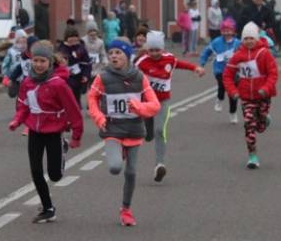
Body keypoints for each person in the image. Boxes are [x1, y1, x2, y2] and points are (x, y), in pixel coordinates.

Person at [86, 39, 161, 226]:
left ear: (127, 56)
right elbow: (92, 98)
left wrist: (138, 107)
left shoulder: (139, 77)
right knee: (115, 168)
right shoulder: (102, 78)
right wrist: (99, 118)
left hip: (134, 129)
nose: (114, 56)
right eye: (111, 53)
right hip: (112, 128)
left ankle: (126, 209)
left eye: (118, 53)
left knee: (131, 172)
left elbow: (155, 105)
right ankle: (119, 152)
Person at [9, 40, 84, 223]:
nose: (38, 64)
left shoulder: (58, 84)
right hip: (35, 130)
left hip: (54, 130)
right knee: (35, 170)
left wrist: (76, 135)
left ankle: (62, 148)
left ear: (50, 62)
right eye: (35, 61)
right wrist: (17, 120)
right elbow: (23, 105)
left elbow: (73, 111)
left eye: (43, 61)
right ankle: (48, 207)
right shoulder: (27, 82)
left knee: (55, 175)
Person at [135, 30, 204, 182]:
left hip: (162, 102)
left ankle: (159, 165)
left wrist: (195, 68)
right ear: (147, 50)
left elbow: (180, 64)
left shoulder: (169, 59)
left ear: (163, 49)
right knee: (148, 134)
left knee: (160, 130)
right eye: (151, 50)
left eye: (157, 50)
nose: (154, 53)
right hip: (146, 102)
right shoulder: (142, 62)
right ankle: (148, 131)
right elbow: (130, 75)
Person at [223, 22, 279, 169]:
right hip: (246, 97)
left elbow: (273, 73)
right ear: (242, 40)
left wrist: (266, 88)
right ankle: (252, 156)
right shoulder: (237, 56)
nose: (248, 41)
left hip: (263, 96)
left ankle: (265, 118)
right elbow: (227, 76)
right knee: (249, 124)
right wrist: (233, 92)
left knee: (259, 127)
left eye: (251, 38)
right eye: (245, 38)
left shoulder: (264, 53)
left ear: (256, 38)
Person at [199, 18, 240, 122]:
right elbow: (206, 52)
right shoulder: (217, 42)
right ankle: (219, 99)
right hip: (219, 69)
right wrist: (202, 64)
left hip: (234, 71)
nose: (227, 32)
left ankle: (233, 113)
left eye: (229, 30)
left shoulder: (238, 43)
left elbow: (245, 54)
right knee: (222, 84)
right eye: (224, 30)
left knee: (233, 94)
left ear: (234, 31)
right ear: (221, 31)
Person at [59, 26, 91, 106]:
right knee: (68, 98)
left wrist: (86, 75)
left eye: (75, 37)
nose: (73, 40)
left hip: (78, 77)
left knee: (77, 99)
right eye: (71, 37)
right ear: (66, 38)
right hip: (66, 77)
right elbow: (63, 60)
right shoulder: (62, 48)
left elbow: (87, 63)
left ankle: (77, 114)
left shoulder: (81, 47)